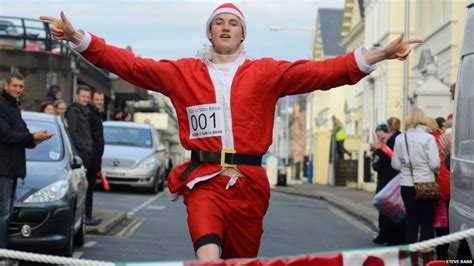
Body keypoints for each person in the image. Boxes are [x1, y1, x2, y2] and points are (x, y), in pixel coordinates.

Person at [41, 3, 420, 260]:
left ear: (242, 35)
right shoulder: (182, 73)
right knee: (208, 256)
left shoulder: (266, 73)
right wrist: (80, 39)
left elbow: (322, 73)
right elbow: (130, 65)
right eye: (218, 23)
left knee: (241, 262)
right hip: (203, 181)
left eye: (233, 23)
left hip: (250, 184)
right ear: (209, 33)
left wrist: (379, 55)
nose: (225, 27)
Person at [0, 73, 53, 257]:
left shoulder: (13, 106)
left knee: (6, 212)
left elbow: (20, 133)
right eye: (15, 85)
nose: (18, 89)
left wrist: (34, 140)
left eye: (21, 87)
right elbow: (6, 134)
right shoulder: (2, 105)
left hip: (12, 167)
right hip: (3, 168)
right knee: (3, 214)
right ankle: (3, 254)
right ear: (6, 86)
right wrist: (31, 138)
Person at [392, 108, 440, 265]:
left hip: (407, 185)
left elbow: (395, 164)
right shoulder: (428, 138)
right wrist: (432, 171)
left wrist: (408, 167)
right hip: (426, 184)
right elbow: (434, 164)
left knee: (412, 223)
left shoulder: (400, 138)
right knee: (427, 223)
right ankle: (427, 261)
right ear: (423, 119)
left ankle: (410, 261)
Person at [66, 85, 100, 226]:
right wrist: (86, 147)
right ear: (76, 96)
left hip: (88, 153)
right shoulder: (73, 111)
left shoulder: (84, 111)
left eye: (87, 97)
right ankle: (83, 218)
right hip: (82, 155)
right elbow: (73, 133)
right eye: (83, 96)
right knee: (82, 189)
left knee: (88, 188)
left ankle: (87, 217)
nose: (85, 99)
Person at [371, 119, 405, 246]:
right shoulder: (400, 138)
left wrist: (377, 150)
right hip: (398, 179)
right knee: (397, 208)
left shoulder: (390, 142)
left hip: (388, 180)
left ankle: (386, 235)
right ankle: (394, 236)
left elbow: (379, 164)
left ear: (388, 128)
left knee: (386, 208)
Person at [88, 90, 105, 196]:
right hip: (91, 155)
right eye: (97, 99)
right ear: (92, 100)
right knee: (89, 186)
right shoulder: (90, 114)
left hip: (96, 155)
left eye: (101, 99)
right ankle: (87, 212)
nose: (99, 102)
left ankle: (88, 212)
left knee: (91, 186)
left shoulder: (97, 114)